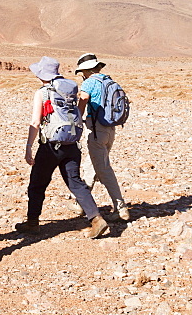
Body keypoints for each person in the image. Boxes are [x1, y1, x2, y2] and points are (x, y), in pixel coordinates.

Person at [15, 57, 109, 239]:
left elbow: (35, 121)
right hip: (72, 144)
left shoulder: (42, 92)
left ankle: (32, 222)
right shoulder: (70, 88)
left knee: (37, 184)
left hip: (51, 146)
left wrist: (28, 147)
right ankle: (96, 219)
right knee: (76, 183)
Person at [75, 53, 129, 221]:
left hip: (97, 130)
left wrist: (76, 120)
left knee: (104, 169)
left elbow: (83, 99)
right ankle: (82, 204)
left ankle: (120, 207)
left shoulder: (90, 82)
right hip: (110, 129)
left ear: (86, 70)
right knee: (91, 164)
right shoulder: (109, 80)